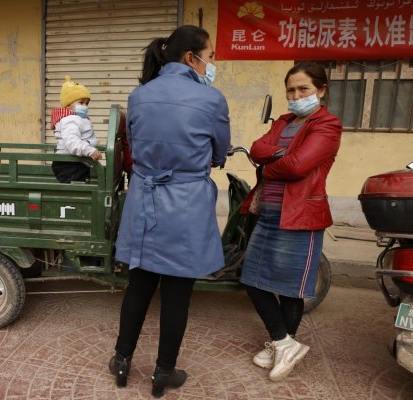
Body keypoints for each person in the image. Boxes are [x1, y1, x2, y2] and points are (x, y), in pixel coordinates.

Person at [110, 25, 231, 398]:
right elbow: (219, 153)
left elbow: (134, 144)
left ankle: (121, 360)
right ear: (191, 58)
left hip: (143, 200)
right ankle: (163, 372)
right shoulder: (211, 100)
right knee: (177, 290)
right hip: (186, 204)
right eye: (209, 56)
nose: (211, 64)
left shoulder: (139, 95)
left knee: (140, 283)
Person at [239, 62, 342, 382]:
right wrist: (277, 155)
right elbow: (257, 148)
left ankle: (281, 343)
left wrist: (272, 163)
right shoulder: (283, 121)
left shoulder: (328, 124)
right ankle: (284, 342)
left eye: (304, 89)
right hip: (268, 213)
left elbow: (299, 166)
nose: (296, 96)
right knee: (252, 280)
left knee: (290, 289)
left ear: (321, 90)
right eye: (291, 90)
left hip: (299, 216)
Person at [50, 76, 101, 183]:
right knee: (75, 195)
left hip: (76, 162)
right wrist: (90, 150)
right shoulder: (70, 120)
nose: (85, 106)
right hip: (69, 165)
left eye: (87, 103)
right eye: (81, 102)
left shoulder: (77, 118)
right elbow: (72, 142)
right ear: (68, 106)